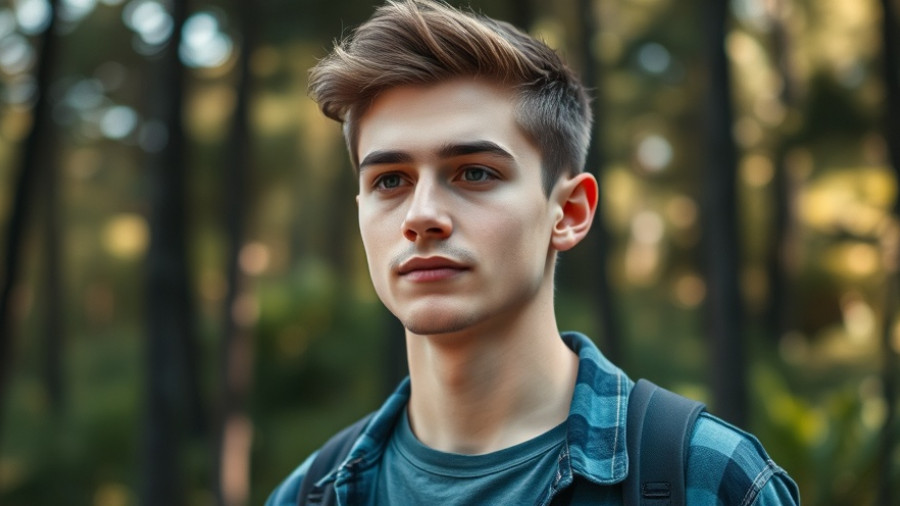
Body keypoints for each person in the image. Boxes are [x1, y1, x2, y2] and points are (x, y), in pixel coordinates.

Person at [267, 0, 800, 504]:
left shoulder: (708, 478)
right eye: (389, 180)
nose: (421, 215)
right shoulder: (308, 494)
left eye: (474, 172)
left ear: (569, 213)